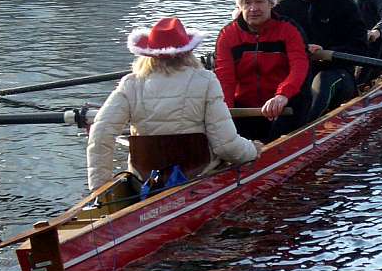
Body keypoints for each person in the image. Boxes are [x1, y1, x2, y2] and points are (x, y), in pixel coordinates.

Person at [87, 16, 260, 192]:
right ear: (188, 52)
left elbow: (100, 134)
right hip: (197, 174)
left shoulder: (131, 83)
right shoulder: (206, 80)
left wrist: (100, 190)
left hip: (145, 180)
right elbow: (225, 145)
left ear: (148, 55)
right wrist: (252, 151)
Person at [274, 0, 368, 121]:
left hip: (335, 73)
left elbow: (360, 47)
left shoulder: (343, 4)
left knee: (323, 80)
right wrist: (300, 49)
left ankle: (305, 130)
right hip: (297, 72)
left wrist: (325, 53)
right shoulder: (284, 5)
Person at [215, 0, 311, 142]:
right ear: (240, 7)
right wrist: (225, 115)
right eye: (247, 2)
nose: (253, 8)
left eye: (259, 1)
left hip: (284, 104)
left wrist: (282, 95)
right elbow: (225, 79)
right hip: (244, 108)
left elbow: (299, 66)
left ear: (270, 4)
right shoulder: (227, 35)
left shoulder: (288, 29)